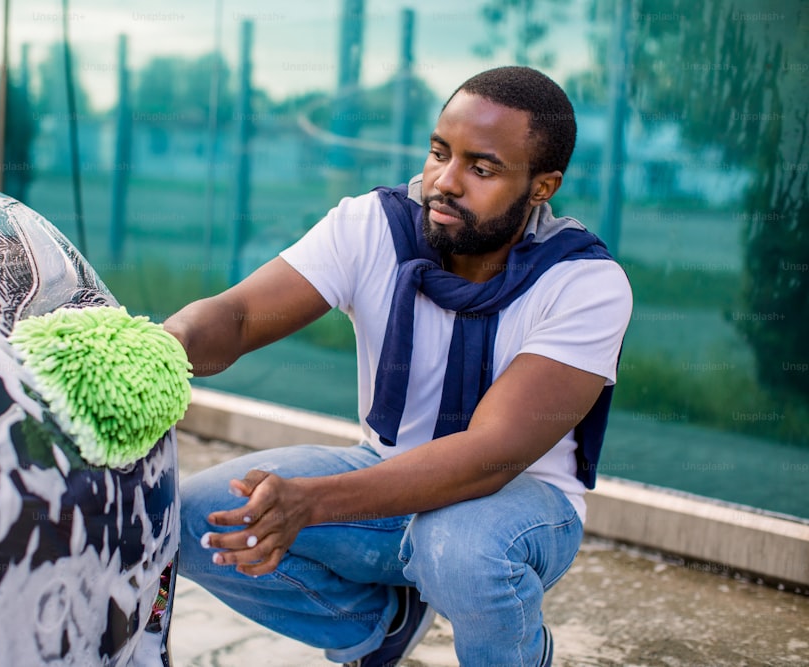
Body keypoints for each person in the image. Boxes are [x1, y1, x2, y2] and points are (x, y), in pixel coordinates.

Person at [163, 65, 633, 666]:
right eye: (440, 153)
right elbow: (238, 317)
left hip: (522, 504)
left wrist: (310, 502)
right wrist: (154, 349)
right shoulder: (372, 225)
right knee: (197, 519)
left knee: (458, 546)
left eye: (481, 168)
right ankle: (379, 627)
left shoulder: (585, 283)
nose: (446, 182)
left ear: (542, 187)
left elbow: (491, 456)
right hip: (384, 477)